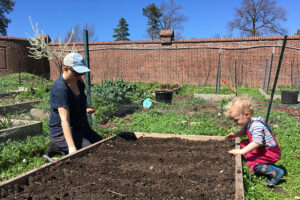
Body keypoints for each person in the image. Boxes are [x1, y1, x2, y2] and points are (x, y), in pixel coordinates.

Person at [48, 53, 102, 156]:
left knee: (101, 144)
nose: (79, 76)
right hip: (61, 132)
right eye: (76, 73)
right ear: (65, 69)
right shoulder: (60, 89)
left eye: (81, 73)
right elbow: (64, 121)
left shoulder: (78, 82)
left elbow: (81, 100)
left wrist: (86, 107)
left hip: (80, 126)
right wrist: (72, 148)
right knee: (90, 152)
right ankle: (57, 147)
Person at [224, 97, 284, 185]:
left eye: (236, 120)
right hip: (264, 149)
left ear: (247, 114)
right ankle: (265, 164)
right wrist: (236, 135)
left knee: (251, 162)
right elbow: (245, 131)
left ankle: (275, 171)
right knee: (244, 143)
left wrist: (241, 151)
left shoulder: (256, 125)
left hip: (270, 152)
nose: (235, 122)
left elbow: (257, 142)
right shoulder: (250, 121)